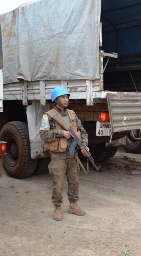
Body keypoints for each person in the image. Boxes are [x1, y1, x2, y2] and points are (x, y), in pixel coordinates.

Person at [40, 86, 89, 221]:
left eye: (67, 97)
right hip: (58, 155)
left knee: (74, 181)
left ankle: (73, 205)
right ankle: (57, 208)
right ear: (56, 100)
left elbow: (82, 131)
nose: (66, 99)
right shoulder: (48, 116)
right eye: (62, 97)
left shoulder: (72, 114)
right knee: (58, 182)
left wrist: (84, 144)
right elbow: (43, 134)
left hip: (72, 154)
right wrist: (62, 133)